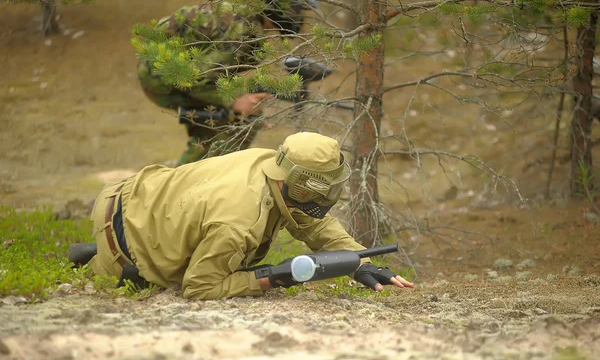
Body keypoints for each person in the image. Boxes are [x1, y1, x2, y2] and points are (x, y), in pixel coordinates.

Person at [83, 132, 414, 300]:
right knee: (161, 277)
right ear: (296, 182)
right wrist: (271, 278)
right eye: (319, 187)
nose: (325, 196)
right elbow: (199, 289)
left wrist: (361, 263)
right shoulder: (240, 222)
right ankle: (99, 259)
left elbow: (314, 224)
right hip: (123, 237)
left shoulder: (271, 166)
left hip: (139, 194)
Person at [135, 0, 315, 166]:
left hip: (173, 70)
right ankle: (188, 181)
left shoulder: (247, 22)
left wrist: (242, 99)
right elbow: (198, 78)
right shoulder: (240, 32)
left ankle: (208, 174)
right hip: (162, 76)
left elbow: (218, 73)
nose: (299, 15)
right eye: (295, 9)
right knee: (224, 127)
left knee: (245, 117)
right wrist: (235, 101)